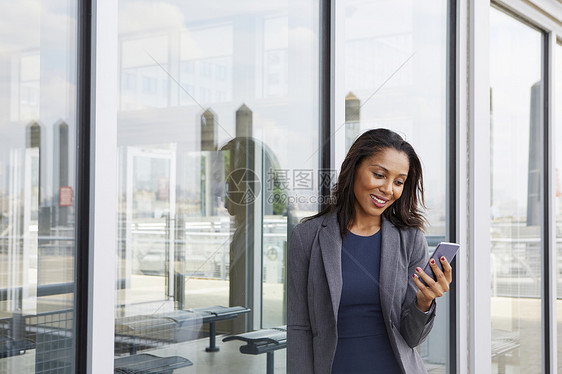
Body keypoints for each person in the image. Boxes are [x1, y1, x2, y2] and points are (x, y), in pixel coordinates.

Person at [287, 128, 452, 374]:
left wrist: (425, 301)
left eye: (398, 182)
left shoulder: (410, 240)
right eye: (379, 175)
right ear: (354, 169)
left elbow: (413, 338)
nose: (388, 189)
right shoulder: (307, 237)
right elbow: (299, 327)